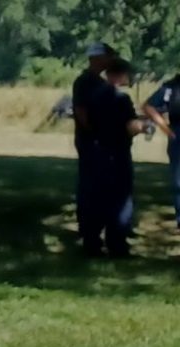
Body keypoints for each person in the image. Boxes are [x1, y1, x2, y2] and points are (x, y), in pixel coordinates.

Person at [91, 58, 140, 258]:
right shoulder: (122, 99)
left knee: (100, 196)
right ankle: (117, 243)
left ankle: (93, 241)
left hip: (99, 150)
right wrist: (143, 126)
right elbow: (131, 127)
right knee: (121, 198)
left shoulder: (96, 95)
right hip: (118, 151)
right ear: (120, 75)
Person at [72, 42, 115, 257]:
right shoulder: (85, 82)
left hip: (101, 141)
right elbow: (80, 110)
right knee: (91, 188)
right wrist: (94, 133)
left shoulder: (101, 82)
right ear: (98, 58)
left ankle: (95, 232)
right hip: (91, 142)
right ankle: (89, 235)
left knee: (100, 188)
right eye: (108, 57)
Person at [140, 65, 180, 231]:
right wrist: (166, 129)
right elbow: (148, 106)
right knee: (179, 181)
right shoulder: (171, 87)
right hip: (178, 134)